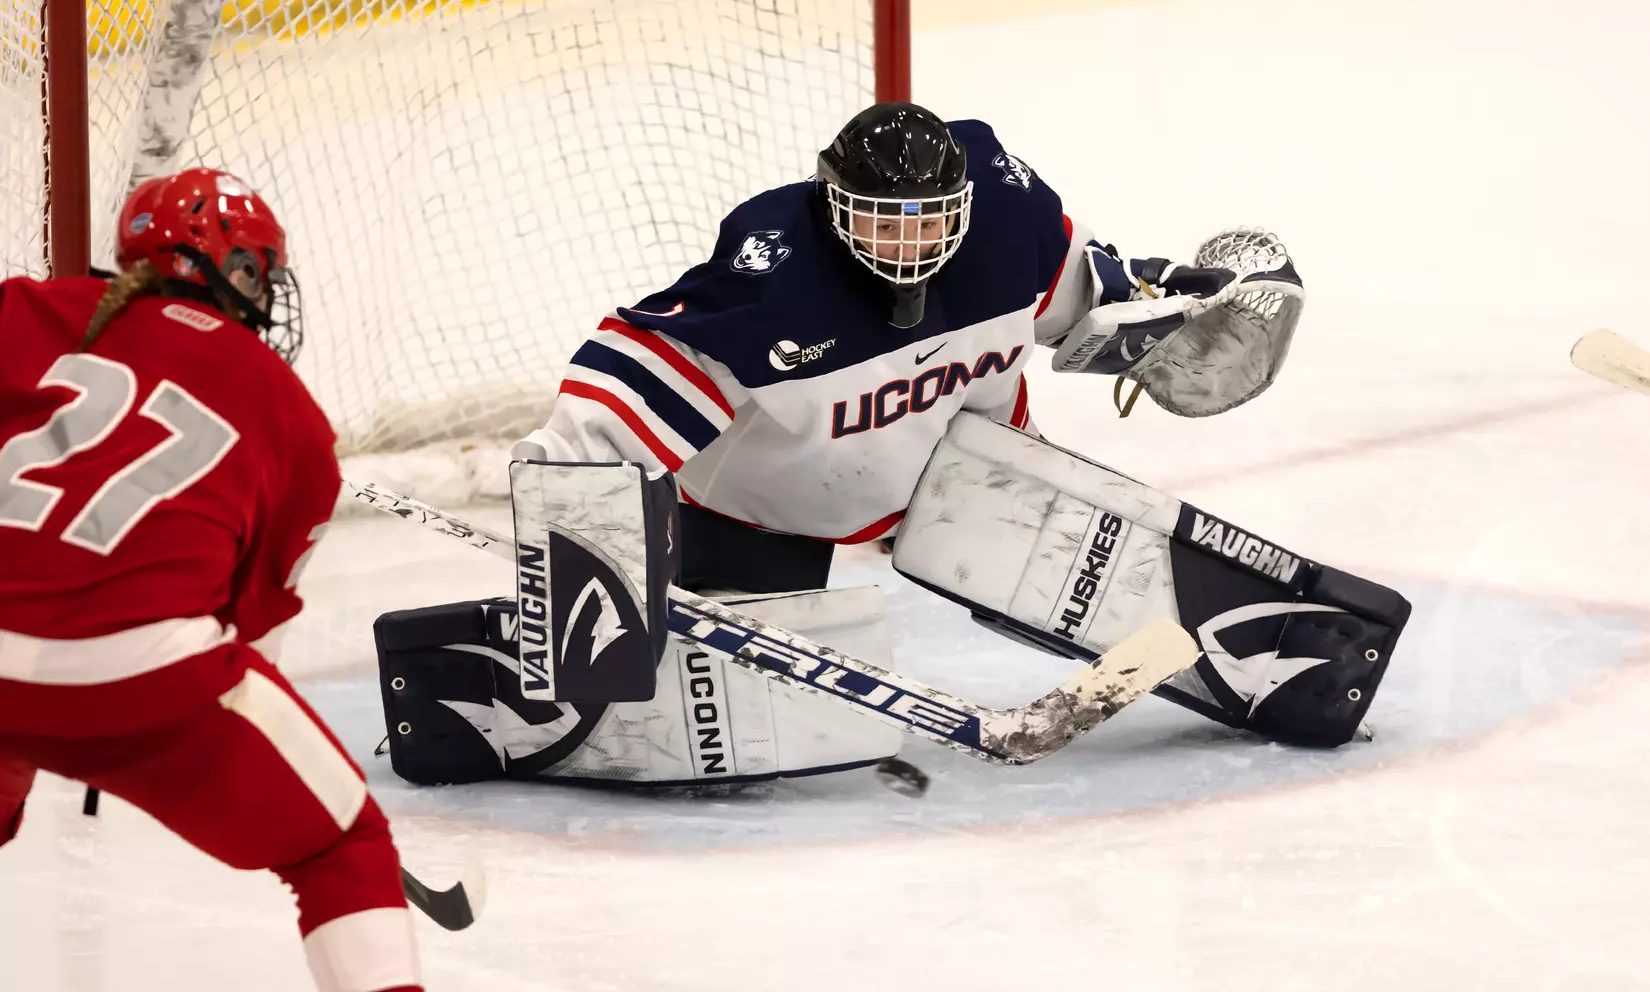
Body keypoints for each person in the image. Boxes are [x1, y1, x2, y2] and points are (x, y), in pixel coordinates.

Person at [515, 101, 1264, 593]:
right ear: (834, 208)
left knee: (1110, 573)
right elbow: (638, 378)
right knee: (773, 711)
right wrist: (563, 488)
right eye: (881, 221)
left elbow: (1080, 304)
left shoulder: (1005, 231)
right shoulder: (776, 284)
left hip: (967, 475)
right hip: (760, 516)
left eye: (928, 219)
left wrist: (1159, 312)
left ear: (965, 206)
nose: (908, 243)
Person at [0, 169, 424, 992]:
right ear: (240, 273)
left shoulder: (20, 310)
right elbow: (248, 624)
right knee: (343, 847)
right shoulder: (292, 415)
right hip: (147, 679)